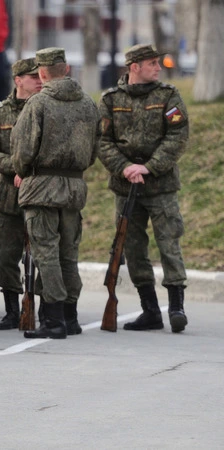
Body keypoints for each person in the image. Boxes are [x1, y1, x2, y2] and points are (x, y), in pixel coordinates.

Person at [98, 44, 190, 333]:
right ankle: (149, 309)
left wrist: (149, 167)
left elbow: (178, 135)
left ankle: (176, 306)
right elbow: (102, 140)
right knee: (134, 248)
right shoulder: (111, 99)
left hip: (160, 184)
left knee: (169, 243)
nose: (158, 67)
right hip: (126, 187)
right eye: (152, 63)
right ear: (134, 67)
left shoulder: (167, 95)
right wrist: (125, 167)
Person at [10, 47, 100, 339]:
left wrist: (23, 170)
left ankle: (54, 320)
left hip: (41, 188)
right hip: (74, 187)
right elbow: (94, 150)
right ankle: (70, 318)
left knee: (45, 252)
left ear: (44, 73)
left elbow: (22, 151)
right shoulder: (88, 104)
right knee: (68, 254)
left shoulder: (38, 104)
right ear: (67, 69)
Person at [0, 57, 42, 330]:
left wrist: (31, 172)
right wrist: (13, 168)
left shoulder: (46, 108)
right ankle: (12, 310)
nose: (40, 80)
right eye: (33, 77)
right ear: (18, 80)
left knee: (42, 255)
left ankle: (44, 307)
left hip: (40, 194)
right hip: (8, 197)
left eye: (41, 76)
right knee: (7, 256)